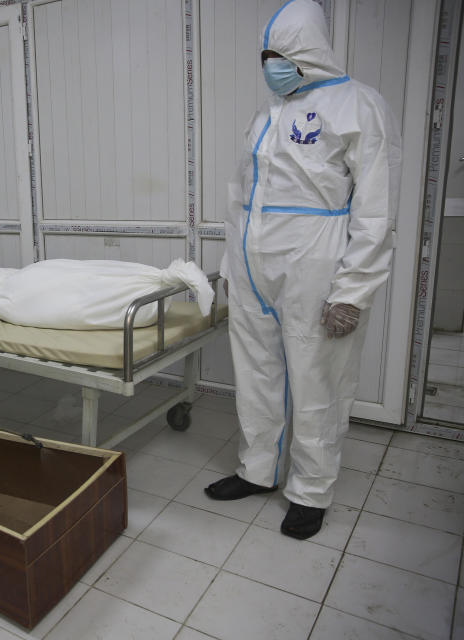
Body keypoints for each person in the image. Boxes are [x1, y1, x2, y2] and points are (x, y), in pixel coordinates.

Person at [204, 0, 401, 540]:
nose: (270, 64)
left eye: (280, 54)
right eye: (266, 55)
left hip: (316, 260)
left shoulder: (359, 105)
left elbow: (377, 209)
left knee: (318, 378)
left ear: (307, 52)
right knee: (255, 373)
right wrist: (229, 266)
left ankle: (310, 491)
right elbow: (240, 196)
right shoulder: (267, 112)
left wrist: (353, 292)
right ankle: (258, 471)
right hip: (252, 263)